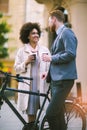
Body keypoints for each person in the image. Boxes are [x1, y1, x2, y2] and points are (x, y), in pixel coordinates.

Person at [42, 10, 78, 130]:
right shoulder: (60, 35)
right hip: (57, 80)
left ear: (53, 19)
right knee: (58, 114)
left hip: (64, 80)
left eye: (49, 21)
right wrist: (48, 73)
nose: (48, 24)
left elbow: (71, 54)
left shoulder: (66, 33)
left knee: (50, 114)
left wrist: (51, 57)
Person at [14, 22, 50, 123]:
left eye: (37, 33)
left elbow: (49, 67)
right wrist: (26, 61)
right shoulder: (21, 51)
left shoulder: (45, 50)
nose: (36, 35)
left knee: (43, 112)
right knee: (31, 115)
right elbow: (16, 69)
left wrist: (47, 74)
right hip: (29, 87)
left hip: (42, 86)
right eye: (33, 33)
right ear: (28, 36)